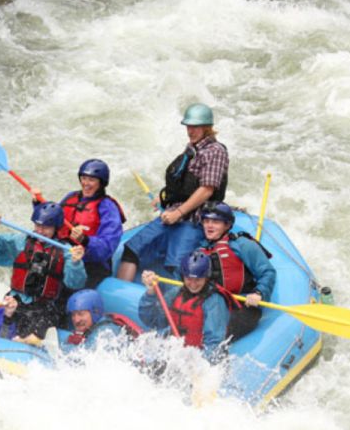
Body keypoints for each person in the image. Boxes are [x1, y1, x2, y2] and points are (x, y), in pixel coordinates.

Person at [117, 103, 230, 282]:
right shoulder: (192, 149)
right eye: (188, 126)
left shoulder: (215, 151)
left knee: (177, 267)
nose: (190, 131)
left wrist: (178, 213)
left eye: (195, 127)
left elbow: (207, 189)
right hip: (173, 214)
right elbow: (182, 184)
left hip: (194, 220)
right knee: (132, 249)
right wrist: (164, 199)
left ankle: (175, 306)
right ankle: (119, 294)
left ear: (207, 127)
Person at [0, 201, 86, 340]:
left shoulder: (66, 251)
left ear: (55, 228)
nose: (40, 231)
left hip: (45, 309)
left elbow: (75, 283)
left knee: (32, 337)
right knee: (3, 330)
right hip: (15, 301)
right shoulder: (20, 242)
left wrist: (76, 263)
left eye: (45, 227)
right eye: (37, 225)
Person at [197, 201, 276, 339]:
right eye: (206, 221)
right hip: (213, 305)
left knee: (215, 333)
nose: (209, 225)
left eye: (215, 222)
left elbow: (267, 272)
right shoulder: (200, 251)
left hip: (242, 305)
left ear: (227, 225)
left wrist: (259, 292)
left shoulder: (243, 245)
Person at [138, 250, 230, 364]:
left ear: (207, 277)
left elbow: (214, 342)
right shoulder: (176, 293)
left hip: (199, 358)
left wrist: (199, 367)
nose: (193, 284)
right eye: (189, 279)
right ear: (183, 277)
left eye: (198, 279)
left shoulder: (214, 301)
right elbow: (152, 321)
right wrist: (150, 293)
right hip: (177, 353)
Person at [56, 159, 126, 289]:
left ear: (101, 183)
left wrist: (85, 240)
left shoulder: (108, 207)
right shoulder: (71, 197)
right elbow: (52, 221)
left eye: (91, 180)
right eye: (83, 178)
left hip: (91, 264)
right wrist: (37, 204)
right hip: (65, 256)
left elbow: (107, 247)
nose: (86, 183)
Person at [63, 288, 143, 349]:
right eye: (73, 315)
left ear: (95, 312)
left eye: (81, 314)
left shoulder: (105, 333)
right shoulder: (96, 326)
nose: (76, 320)